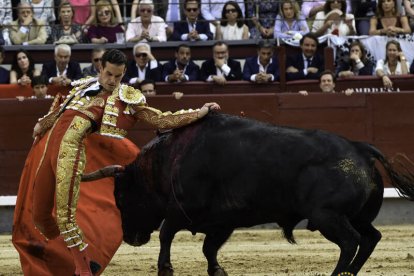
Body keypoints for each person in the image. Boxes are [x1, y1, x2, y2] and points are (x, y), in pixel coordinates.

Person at [25, 48, 220, 276]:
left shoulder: (127, 98)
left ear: (124, 72)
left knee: (65, 216)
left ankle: (83, 269)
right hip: (51, 149)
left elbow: (160, 119)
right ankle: (79, 257)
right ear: (100, 68)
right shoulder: (83, 85)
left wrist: (200, 112)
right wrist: (43, 123)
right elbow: (62, 110)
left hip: (70, 153)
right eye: (109, 74)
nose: (112, 81)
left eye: (118, 76)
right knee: (40, 218)